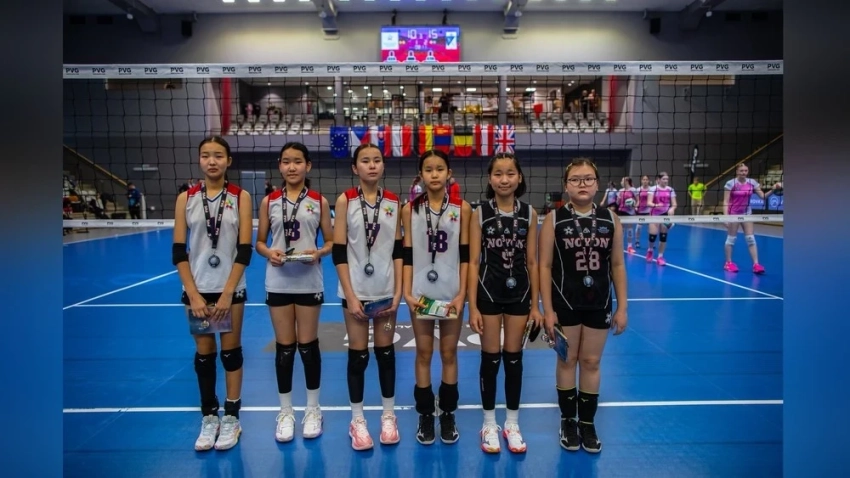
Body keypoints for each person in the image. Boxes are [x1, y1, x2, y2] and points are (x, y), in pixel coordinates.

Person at [538, 157, 628, 454]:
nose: (582, 184)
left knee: (591, 362)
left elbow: (617, 264)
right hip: (565, 302)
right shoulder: (554, 219)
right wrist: (548, 310)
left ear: (597, 183)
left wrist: (622, 307)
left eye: (588, 178)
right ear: (566, 186)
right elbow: (544, 266)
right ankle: (568, 421)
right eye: (575, 179)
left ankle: (587, 423)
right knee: (567, 360)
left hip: (599, 302)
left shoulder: (610, 219)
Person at [172, 136, 253, 451]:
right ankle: (209, 417)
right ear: (199, 160)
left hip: (230, 288)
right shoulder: (186, 198)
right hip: (197, 288)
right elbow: (179, 251)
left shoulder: (240, 196)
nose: (212, 161)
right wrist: (192, 294)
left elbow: (244, 250)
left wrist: (227, 293)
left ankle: (231, 418)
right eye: (206, 155)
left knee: (230, 354)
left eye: (218, 155)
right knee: (204, 355)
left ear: (228, 161)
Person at [255, 142, 333, 443]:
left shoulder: (319, 201)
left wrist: (319, 252)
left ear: (308, 166)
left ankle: (313, 409)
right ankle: (286, 411)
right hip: (278, 282)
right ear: (279, 166)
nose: (291, 167)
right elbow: (260, 242)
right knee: (284, 348)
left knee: (308, 347)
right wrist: (269, 253)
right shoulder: (269, 202)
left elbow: (331, 242)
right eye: (286, 161)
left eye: (298, 161)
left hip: (309, 281)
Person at [467, 153, 542, 454]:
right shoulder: (480, 213)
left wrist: (535, 305)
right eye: (498, 174)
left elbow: (533, 261)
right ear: (490, 179)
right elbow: (473, 261)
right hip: (488, 293)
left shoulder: (530, 213)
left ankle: (512, 423)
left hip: (519, 294)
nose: (504, 179)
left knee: (514, 359)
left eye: (510, 173)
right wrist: (472, 306)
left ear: (519, 177)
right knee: (490, 359)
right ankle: (489, 424)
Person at [332, 143, 404, 450]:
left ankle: (388, 416)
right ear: (355, 168)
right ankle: (358, 420)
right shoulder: (345, 200)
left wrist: (398, 293)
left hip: (386, 295)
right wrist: (350, 296)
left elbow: (399, 250)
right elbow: (338, 251)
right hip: (356, 294)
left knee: (386, 355)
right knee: (358, 356)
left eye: (377, 160)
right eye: (365, 161)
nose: (372, 165)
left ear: (383, 166)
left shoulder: (394, 201)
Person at [402, 149, 472, 446]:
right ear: (420, 175)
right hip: (421, 294)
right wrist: (406, 293)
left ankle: (448, 412)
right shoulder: (409, 210)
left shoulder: (462, 209)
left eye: (440, 169)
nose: (434, 174)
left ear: (449, 174)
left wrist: (462, 294)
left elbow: (466, 256)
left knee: (449, 353)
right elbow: (406, 255)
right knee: (423, 353)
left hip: (451, 293)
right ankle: (425, 414)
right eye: (428, 169)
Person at [722, 164, 777, 273]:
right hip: (733, 214)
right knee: (731, 239)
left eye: (746, 170)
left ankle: (756, 264)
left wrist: (773, 189)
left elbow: (763, 196)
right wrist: (725, 217)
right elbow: (726, 201)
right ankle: (728, 263)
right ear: (737, 171)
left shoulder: (752, 182)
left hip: (746, 213)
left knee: (751, 239)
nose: (744, 172)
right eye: (741, 170)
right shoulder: (730, 183)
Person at [645, 172, 677, 266]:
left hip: (665, 215)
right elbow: (649, 203)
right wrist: (656, 205)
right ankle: (650, 250)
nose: (666, 181)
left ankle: (660, 256)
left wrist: (672, 208)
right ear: (658, 180)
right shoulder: (653, 189)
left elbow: (674, 204)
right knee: (653, 236)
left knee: (663, 236)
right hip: (654, 214)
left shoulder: (670, 190)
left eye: (667, 179)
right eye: (664, 179)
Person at [616, 177, 638, 254]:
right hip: (621, 211)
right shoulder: (620, 191)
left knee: (629, 229)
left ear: (626, 181)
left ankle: (629, 246)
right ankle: (619, 246)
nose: (621, 182)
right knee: (621, 230)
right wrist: (618, 199)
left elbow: (638, 200)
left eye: (622, 180)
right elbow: (617, 203)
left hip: (630, 212)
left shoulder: (633, 190)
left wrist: (635, 206)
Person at [633, 175, 652, 249]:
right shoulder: (638, 190)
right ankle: (637, 241)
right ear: (641, 181)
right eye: (644, 179)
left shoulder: (651, 189)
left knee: (650, 228)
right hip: (640, 211)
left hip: (649, 211)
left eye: (646, 179)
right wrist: (635, 207)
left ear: (648, 181)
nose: (645, 181)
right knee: (639, 227)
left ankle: (651, 243)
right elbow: (638, 200)